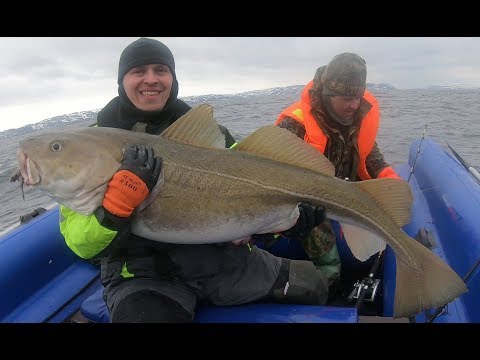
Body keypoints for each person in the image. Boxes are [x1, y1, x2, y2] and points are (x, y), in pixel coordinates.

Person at [59, 37, 331, 323]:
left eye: (160, 70)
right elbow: (80, 242)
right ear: (122, 80)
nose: (150, 79)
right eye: (138, 71)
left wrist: (287, 224)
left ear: (172, 78)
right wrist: (114, 210)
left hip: (225, 263)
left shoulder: (208, 135)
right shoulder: (90, 145)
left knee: (313, 285)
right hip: (144, 276)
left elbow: (253, 194)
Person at [272, 52, 402, 293]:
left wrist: (390, 181)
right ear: (328, 93)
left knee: (386, 234)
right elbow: (273, 178)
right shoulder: (294, 125)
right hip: (306, 208)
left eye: (358, 96)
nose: (353, 104)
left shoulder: (357, 116)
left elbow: (371, 156)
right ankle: (325, 284)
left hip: (345, 200)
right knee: (338, 254)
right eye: (346, 97)